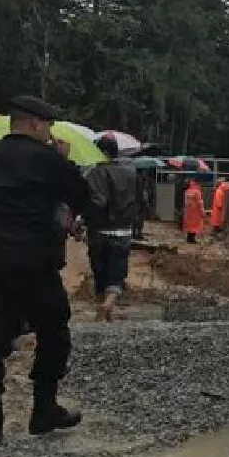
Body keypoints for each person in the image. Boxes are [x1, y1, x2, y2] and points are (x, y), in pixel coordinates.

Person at [0, 96, 92, 450]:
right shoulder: (49, 160)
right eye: (48, 126)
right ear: (34, 124)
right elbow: (83, 197)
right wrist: (64, 161)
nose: (49, 132)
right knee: (53, 329)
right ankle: (43, 409)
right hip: (35, 264)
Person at [84, 135, 139, 321]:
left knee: (100, 273)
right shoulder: (131, 173)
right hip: (123, 231)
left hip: (99, 231)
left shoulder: (96, 172)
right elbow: (140, 202)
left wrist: (83, 218)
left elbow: (97, 202)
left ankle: (101, 308)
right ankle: (109, 306)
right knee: (117, 273)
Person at [183, 179, 205, 244]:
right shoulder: (197, 191)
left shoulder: (188, 191)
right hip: (196, 211)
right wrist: (202, 211)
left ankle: (188, 238)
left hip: (189, 211)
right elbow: (199, 203)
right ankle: (192, 239)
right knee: (195, 225)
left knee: (190, 225)